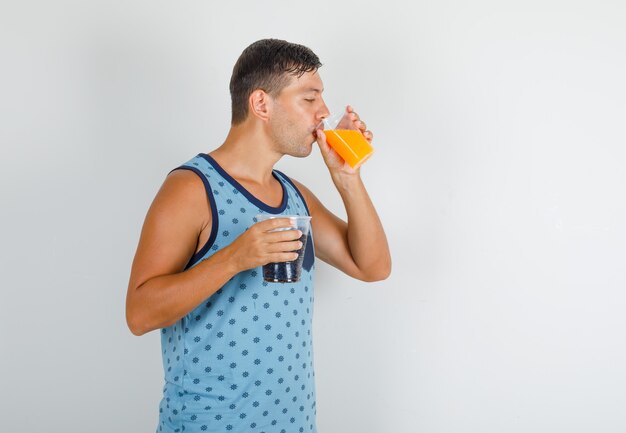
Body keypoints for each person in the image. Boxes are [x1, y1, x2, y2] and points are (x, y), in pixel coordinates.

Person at [126, 38, 391, 433]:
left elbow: (372, 267)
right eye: (309, 98)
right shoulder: (190, 188)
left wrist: (347, 178)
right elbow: (139, 314)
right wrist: (236, 257)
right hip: (209, 424)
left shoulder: (296, 195)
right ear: (262, 104)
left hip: (294, 423)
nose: (324, 112)